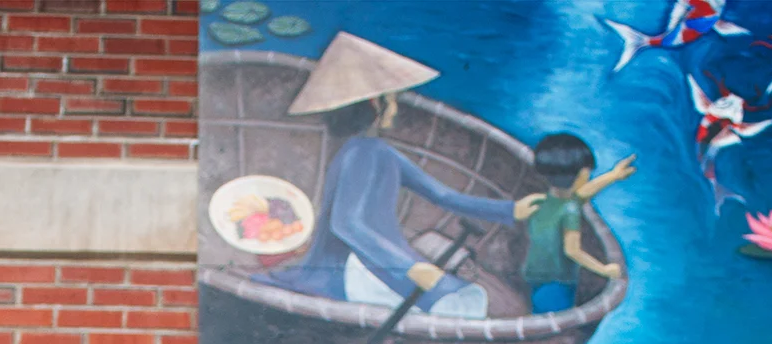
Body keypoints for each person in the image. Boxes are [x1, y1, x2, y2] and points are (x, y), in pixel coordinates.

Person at [257, 31, 543, 321]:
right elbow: (346, 224)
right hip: (353, 269)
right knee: (462, 303)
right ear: (373, 104)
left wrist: (511, 209)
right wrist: (410, 267)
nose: (395, 107)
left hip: (383, 260)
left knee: (467, 299)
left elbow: (442, 195)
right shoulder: (362, 152)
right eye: (391, 99)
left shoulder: (378, 150)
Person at [521, 133, 635, 315]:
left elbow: (582, 194)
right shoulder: (570, 211)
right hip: (558, 279)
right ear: (579, 175)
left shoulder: (546, 201)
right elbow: (572, 250)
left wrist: (613, 176)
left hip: (535, 272)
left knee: (541, 309)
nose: (589, 176)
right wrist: (604, 269)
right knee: (556, 315)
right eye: (587, 172)